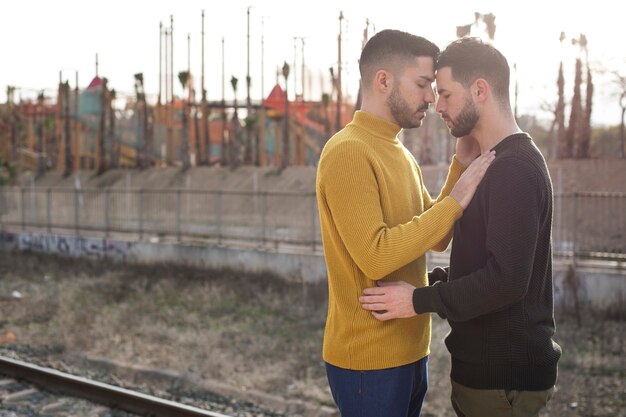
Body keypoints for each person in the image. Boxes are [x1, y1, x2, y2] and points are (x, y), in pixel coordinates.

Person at [359, 37, 562, 417]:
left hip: (503, 381)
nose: (437, 105)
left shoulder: (513, 168)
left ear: (480, 90)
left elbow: (504, 280)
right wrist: (432, 283)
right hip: (491, 376)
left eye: (447, 94)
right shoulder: (492, 163)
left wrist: (418, 300)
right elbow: (487, 265)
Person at [316, 30, 495, 417]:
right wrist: (457, 199)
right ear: (383, 81)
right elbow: (376, 256)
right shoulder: (349, 152)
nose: (431, 97)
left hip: (410, 352)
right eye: (422, 84)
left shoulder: (397, 150)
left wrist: (460, 165)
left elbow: (437, 236)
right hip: (368, 360)